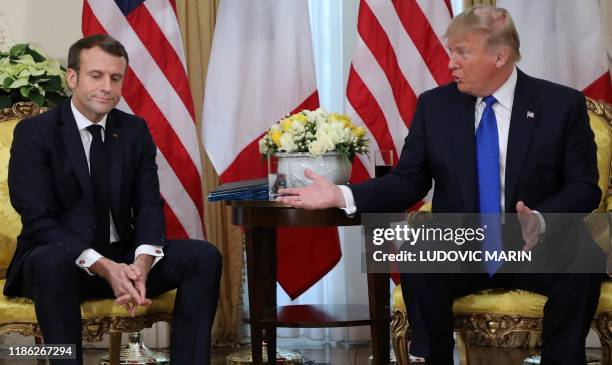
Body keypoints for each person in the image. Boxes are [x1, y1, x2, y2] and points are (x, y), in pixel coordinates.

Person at [277, 6, 603, 365]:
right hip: (463, 242)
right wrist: (342, 193)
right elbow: (408, 181)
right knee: (419, 255)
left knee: (583, 261)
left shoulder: (560, 105)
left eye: (462, 51)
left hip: (537, 240)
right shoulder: (435, 107)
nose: (451, 63)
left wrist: (541, 218)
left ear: (500, 55)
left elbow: (584, 187)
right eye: (451, 52)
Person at [4, 34, 222, 365]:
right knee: (52, 260)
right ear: (72, 77)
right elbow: (38, 220)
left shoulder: (134, 130)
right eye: (96, 75)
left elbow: (149, 205)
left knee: (203, 257)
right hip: (62, 262)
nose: (107, 86)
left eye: (115, 77)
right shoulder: (36, 132)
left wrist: (141, 264)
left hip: (122, 258)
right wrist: (103, 266)